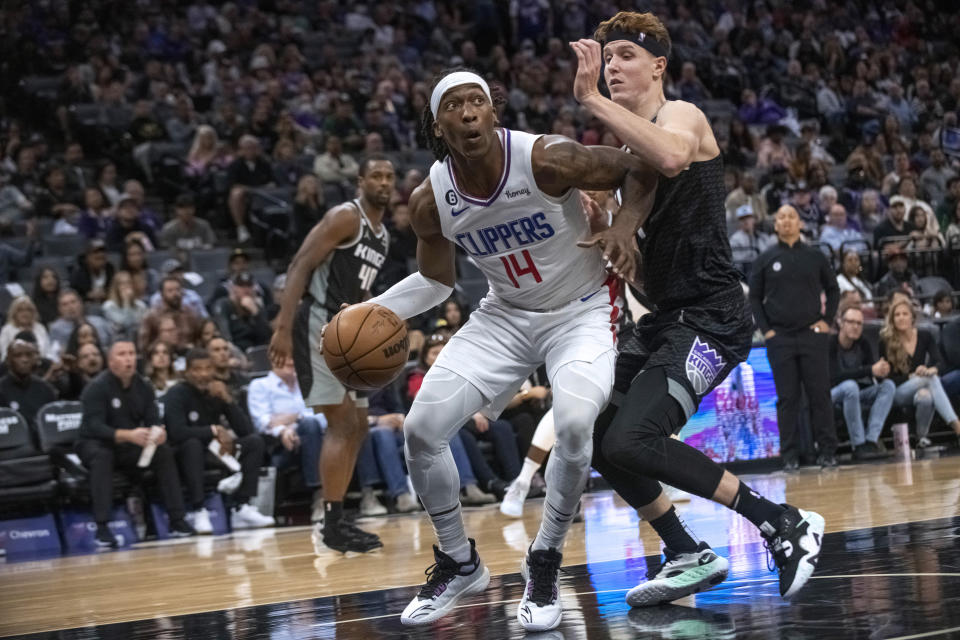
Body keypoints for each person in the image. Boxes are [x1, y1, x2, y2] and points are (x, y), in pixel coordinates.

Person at [359, 66, 657, 630]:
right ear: (438, 124)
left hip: (582, 309)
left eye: (478, 102)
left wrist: (625, 225)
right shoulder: (431, 200)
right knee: (420, 431)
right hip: (506, 315)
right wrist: (371, 311)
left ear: (493, 112)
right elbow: (436, 282)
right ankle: (458, 560)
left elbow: (640, 167)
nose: (468, 113)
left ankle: (544, 559)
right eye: (455, 106)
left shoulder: (547, 158)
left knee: (572, 425)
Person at [571, 12, 825, 611]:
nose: (613, 67)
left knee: (634, 437)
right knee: (600, 435)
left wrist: (587, 99)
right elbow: (637, 252)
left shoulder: (677, 115)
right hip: (666, 318)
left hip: (711, 315)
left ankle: (780, 520)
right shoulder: (631, 152)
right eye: (607, 60)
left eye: (627, 56)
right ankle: (685, 550)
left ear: (659, 65)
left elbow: (673, 157)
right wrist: (606, 228)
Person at [269, 154, 396, 554]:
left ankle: (338, 519)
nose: (384, 182)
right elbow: (300, 264)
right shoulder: (346, 216)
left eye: (390, 177)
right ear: (360, 180)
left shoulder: (383, 235)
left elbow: (359, 294)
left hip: (344, 334)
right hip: (315, 326)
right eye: (376, 175)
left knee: (358, 425)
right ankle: (330, 522)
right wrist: (282, 327)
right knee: (342, 423)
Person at [77, 341, 195, 548]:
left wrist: (158, 433)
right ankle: (102, 528)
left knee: (163, 452)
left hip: (128, 445)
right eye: (122, 354)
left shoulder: (143, 386)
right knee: (103, 457)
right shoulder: (96, 388)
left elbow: (152, 420)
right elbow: (93, 427)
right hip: (94, 443)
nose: (128, 358)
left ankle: (177, 520)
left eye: (131, 353)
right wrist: (127, 434)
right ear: (110, 361)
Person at [749, 205, 840, 468]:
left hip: (812, 334)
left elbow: (833, 289)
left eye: (791, 217)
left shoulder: (815, 256)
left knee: (820, 395)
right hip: (781, 338)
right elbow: (754, 297)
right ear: (775, 225)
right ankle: (789, 456)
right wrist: (767, 330)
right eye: (782, 217)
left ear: (800, 223)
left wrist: (827, 321)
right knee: (787, 398)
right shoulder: (765, 258)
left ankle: (827, 452)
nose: (787, 221)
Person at [164, 348, 274, 532]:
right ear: (187, 372)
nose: (203, 374)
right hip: (185, 454)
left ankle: (242, 507)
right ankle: (199, 510)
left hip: (217, 451)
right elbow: (177, 432)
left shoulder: (216, 390)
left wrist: (227, 400)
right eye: (197, 370)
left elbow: (245, 430)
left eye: (208, 369)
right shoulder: (176, 393)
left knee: (254, 442)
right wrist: (213, 430)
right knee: (192, 445)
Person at [247, 356, 327, 523]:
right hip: (281, 447)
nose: (291, 362)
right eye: (285, 357)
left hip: (313, 439)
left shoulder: (307, 383)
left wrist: (295, 419)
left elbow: (323, 417)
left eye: (294, 356)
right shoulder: (260, 385)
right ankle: (320, 494)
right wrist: (283, 431)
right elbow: (261, 422)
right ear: (273, 358)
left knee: (311, 426)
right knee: (310, 424)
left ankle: (323, 495)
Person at [879, 299, 960, 448]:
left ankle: (921, 438)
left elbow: (940, 362)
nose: (901, 317)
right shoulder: (886, 341)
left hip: (921, 387)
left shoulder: (924, 335)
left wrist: (931, 369)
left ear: (912, 317)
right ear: (892, 319)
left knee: (926, 396)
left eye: (905, 314)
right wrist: (910, 377)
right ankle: (957, 426)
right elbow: (886, 379)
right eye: (897, 315)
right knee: (929, 380)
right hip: (897, 391)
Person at [829, 305, 895, 460]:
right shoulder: (830, 344)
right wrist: (870, 370)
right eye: (851, 322)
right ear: (841, 322)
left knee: (888, 386)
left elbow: (873, 373)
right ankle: (858, 444)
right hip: (832, 394)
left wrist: (881, 371)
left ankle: (871, 440)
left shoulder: (863, 343)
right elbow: (834, 376)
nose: (855, 326)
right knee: (850, 385)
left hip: (857, 392)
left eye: (859, 323)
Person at [226, 135, 274, 244]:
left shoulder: (264, 163)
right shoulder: (235, 165)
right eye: (247, 148)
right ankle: (241, 228)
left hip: (262, 193)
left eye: (253, 148)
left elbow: (272, 181)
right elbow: (233, 185)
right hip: (245, 194)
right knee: (236, 194)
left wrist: (268, 185)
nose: (250, 151)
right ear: (241, 150)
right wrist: (249, 189)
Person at [0, 340, 57, 431]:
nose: (25, 360)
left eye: (29, 355)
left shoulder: (46, 388)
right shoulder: (2, 389)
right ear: (8, 360)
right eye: (18, 356)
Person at [211, 272, 272, 351]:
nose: (246, 290)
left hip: (258, 351)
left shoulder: (257, 307)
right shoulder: (224, 305)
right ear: (234, 288)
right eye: (241, 286)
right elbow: (225, 337)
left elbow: (267, 337)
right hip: (236, 351)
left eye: (249, 286)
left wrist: (256, 313)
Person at [48, 289, 112, 352]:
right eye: (65, 304)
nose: (70, 307)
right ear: (59, 309)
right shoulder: (56, 329)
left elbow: (113, 342)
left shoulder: (99, 322)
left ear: (81, 303)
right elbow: (56, 352)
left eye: (73, 302)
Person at [0, 296, 53, 360]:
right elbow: (5, 354)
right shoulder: (7, 330)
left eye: (28, 310)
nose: (25, 313)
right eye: (20, 310)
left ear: (33, 312)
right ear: (14, 313)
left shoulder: (40, 328)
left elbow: (48, 352)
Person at [102, 271, 148, 341]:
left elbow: (143, 325)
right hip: (117, 339)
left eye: (128, 282)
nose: (126, 286)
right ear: (116, 287)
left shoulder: (140, 305)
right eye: (122, 283)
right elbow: (125, 325)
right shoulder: (108, 306)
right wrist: (126, 302)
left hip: (137, 339)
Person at [69, 239, 115, 304]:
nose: (100, 254)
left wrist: (107, 293)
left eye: (102, 252)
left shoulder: (110, 270)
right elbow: (73, 295)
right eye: (95, 252)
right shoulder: (78, 274)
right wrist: (88, 296)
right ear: (87, 257)